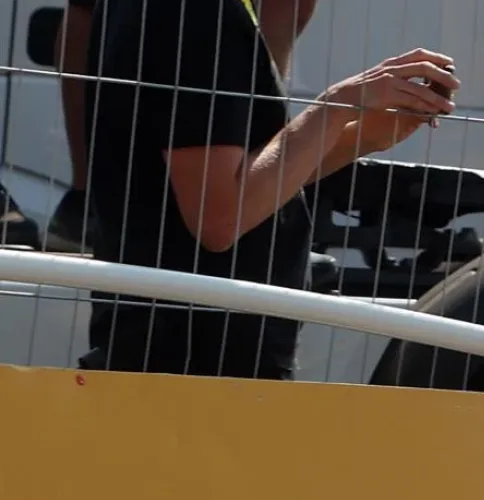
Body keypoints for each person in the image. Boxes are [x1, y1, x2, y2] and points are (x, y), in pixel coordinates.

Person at [84, 0, 457, 378]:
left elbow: (252, 176)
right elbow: (219, 218)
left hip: (189, 348)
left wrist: (364, 135)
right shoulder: (199, 16)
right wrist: (339, 105)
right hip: (197, 359)